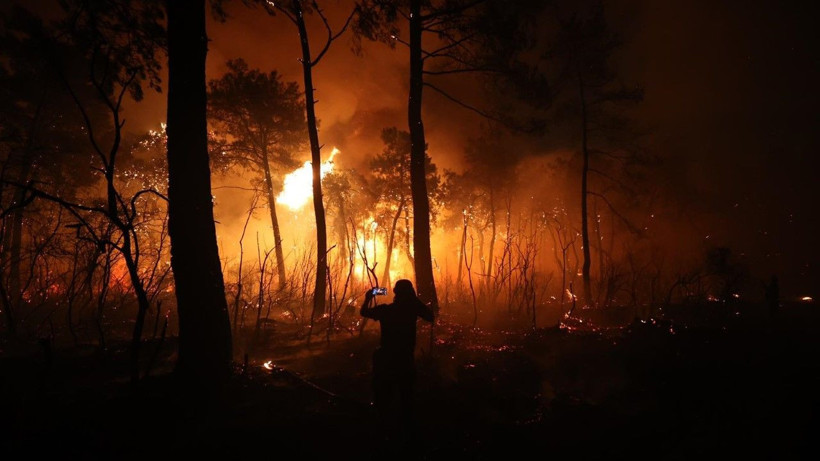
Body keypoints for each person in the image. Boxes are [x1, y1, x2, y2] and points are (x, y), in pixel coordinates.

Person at [360, 279, 434, 444]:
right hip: (404, 358)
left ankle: (384, 432)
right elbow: (430, 316)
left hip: (386, 357)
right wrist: (415, 300)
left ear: (395, 293)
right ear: (411, 294)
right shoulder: (412, 310)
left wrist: (369, 296)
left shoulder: (387, 310)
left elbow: (364, 312)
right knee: (406, 396)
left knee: (384, 396)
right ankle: (407, 433)